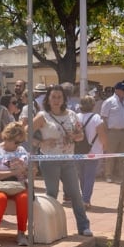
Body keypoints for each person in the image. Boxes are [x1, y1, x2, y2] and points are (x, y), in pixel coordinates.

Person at [31, 85, 92, 237]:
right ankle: (50, 228)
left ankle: (83, 226)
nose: (56, 100)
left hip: (68, 160)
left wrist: (74, 136)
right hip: (49, 160)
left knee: (76, 194)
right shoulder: (42, 116)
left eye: (59, 97)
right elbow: (25, 133)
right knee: (52, 193)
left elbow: (81, 135)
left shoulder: (72, 115)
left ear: (64, 99)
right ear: (48, 99)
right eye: (53, 97)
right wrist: (41, 143)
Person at [0, 121, 31, 247]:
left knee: (24, 198)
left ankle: (21, 233)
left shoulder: (21, 150)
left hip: (18, 185)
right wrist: (12, 172)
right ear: (7, 138)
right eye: (16, 142)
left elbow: (29, 172)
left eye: (20, 142)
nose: (18, 145)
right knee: (0, 199)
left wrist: (26, 170)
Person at [99, 80, 124, 184]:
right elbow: (103, 118)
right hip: (112, 132)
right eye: (123, 90)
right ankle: (108, 175)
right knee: (110, 155)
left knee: (123, 155)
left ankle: (121, 175)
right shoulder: (109, 102)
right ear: (117, 90)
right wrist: (107, 132)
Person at [75, 95, 107, 206]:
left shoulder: (76, 117)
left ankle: (84, 197)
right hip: (93, 151)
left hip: (78, 151)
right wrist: (105, 146)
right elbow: (102, 135)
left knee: (82, 176)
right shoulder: (96, 118)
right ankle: (86, 199)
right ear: (93, 105)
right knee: (89, 176)